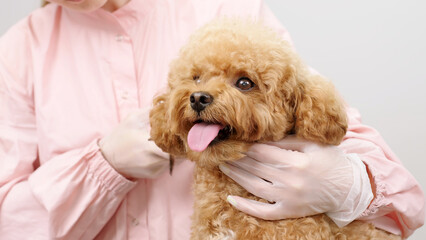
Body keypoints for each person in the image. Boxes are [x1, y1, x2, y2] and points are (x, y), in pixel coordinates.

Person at [0, 0, 423, 239]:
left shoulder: (224, 9)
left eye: (239, 82)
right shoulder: (20, 50)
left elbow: (403, 198)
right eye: (197, 80)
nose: (203, 92)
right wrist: (102, 167)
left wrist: (346, 183)